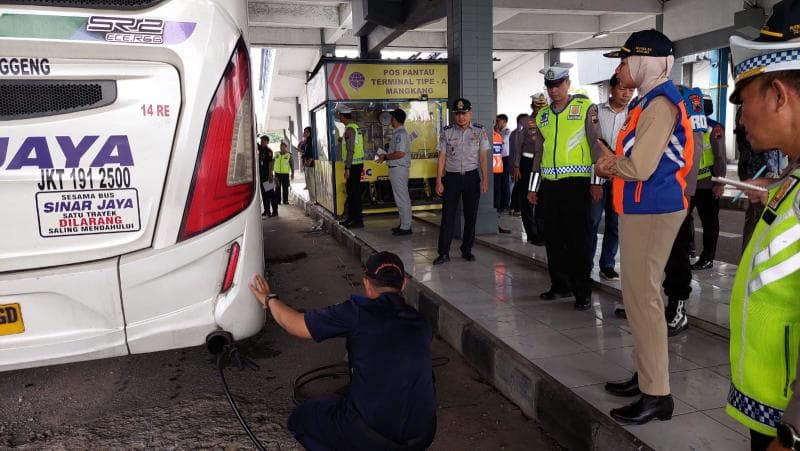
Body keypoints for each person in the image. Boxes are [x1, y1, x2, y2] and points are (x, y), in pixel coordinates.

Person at [597, 29, 695, 424]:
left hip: (653, 208)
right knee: (640, 298)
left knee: (644, 299)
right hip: (643, 206)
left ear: (644, 61)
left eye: (624, 61)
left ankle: (657, 394)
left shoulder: (659, 105)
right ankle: (646, 376)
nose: (620, 69)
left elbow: (640, 166)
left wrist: (605, 166)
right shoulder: (649, 100)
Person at [248, 251, 437, 450]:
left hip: (370, 435)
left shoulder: (356, 312)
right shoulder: (421, 322)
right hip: (422, 436)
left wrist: (268, 299)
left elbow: (295, 324)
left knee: (300, 419)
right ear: (404, 283)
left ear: (366, 283)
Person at [724, 3, 800, 449]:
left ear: (778, 94)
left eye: (744, 99)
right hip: (771, 404)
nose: (741, 116)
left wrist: (792, 436)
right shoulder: (793, 174)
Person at [526, 64, 605, 310]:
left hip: (577, 184)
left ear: (568, 83)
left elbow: (596, 145)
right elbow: (539, 153)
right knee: (554, 238)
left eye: (558, 85)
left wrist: (596, 181)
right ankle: (559, 285)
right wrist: (533, 187)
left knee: (578, 239)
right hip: (550, 186)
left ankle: (583, 291)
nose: (554, 90)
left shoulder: (584, 108)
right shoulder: (542, 116)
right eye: (550, 86)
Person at [660, 85, 707, 338]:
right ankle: (652, 304)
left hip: (676, 192)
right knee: (653, 254)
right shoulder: (643, 100)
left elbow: (695, 145)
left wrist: (687, 192)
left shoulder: (688, 96)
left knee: (675, 251)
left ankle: (678, 309)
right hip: (650, 194)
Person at [433, 98, 490, 265]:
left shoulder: (479, 131)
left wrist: (485, 179)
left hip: (472, 177)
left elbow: (483, 158)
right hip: (451, 178)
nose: (461, 117)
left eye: (464, 113)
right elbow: (442, 157)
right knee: (448, 217)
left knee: (471, 216)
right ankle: (443, 253)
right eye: (457, 114)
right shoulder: (446, 132)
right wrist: (438, 180)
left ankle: (467, 249)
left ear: (470, 113)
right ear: (453, 115)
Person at [594, 74, 632, 282]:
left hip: (621, 177)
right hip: (598, 176)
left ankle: (607, 264)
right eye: (622, 89)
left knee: (615, 224)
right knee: (591, 220)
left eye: (630, 90)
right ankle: (586, 263)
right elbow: (592, 144)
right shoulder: (596, 112)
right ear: (611, 89)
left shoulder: (634, 114)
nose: (626, 94)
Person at [736, 107, 786, 252]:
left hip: (770, 171)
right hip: (758, 171)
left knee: (758, 218)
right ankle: (752, 257)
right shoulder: (749, 110)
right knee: (760, 219)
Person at [688, 95, 727, 270]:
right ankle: (689, 250)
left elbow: (720, 156)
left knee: (709, 223)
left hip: (708, 185)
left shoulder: (714, 128)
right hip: (688, 184)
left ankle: (708, 258)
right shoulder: (688, 127)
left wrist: (720, 182)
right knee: (682, 220)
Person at [513, 93, 549, 245]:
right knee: (527, 199)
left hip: (544, 164)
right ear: (532, 107)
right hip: (527, 163)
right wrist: (516, 165)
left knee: (542, 199)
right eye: (537, 106)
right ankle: (532, 234)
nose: (540, 109)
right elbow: (518, 145)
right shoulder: (525, 122)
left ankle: (542, 232)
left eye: (543, 106)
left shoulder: (549, 120)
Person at [379, 108, 413, 236]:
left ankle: (406, 226)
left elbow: (400, 153)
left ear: (395, 119)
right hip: (397, 169)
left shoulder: (400, 134)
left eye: (392, 117)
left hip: (399, 169)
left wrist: (386, 157)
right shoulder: (398, 133)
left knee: (402, 198)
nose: (391, 120)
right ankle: (404, 223)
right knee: (401, 197)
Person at [338, 109, 365, 229]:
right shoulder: (355, 127)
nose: (339, 118)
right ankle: (352, 219)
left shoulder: (350, 129)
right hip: (356, 164)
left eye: (340, 116)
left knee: (353, 193)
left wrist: (347, 167)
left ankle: (357, 220)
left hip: (353, 165)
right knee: (353, 192)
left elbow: (350, 150)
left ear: (344, 117)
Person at [493, 114, 512, 214]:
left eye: (498, 121)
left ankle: (505, 204)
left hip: (505, 159)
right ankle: (498, 204)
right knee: (498, 182)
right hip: (497, 158)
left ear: (504, 121)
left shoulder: (507, 131)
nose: (497, 123)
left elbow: (501, 141)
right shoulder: (499, 131)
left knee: (504, 182)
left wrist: (496, 131)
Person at [258, 135, 278, 217]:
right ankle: (267, 210)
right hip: (261, 175)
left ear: (267, 142)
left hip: (267, 175)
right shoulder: (259, 149)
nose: (262, 142)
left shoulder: (269, 151)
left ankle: (275, 210)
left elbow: (270, 163)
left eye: (264, 141)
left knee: (271, 193)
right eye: (261, 140)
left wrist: (270, 175)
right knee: (264, 194)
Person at [274, 141, 294, 206]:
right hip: (277, 174)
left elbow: (292, 164)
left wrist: (292, 173)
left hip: (285, 174)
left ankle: (285, 200)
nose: (281, 147)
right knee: (277, 188)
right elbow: (272, 163)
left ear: (286, 147)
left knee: (285, 188)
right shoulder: (276, 154)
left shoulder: (289, 155)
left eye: (283, 146)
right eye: (280, 146)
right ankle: (278, 201)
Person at [299, 127, 315, 198]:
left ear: (310, 133)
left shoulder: (312, 141)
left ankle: (314, 199)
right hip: (306, 163)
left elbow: (313, 152)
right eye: (304, 131)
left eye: (306, 132)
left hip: (311, 163)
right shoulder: (305, 141)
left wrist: (310, 160)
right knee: (308, 183)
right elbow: (304, 152)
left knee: (311, 182)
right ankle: (312, 199)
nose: (304, 133)